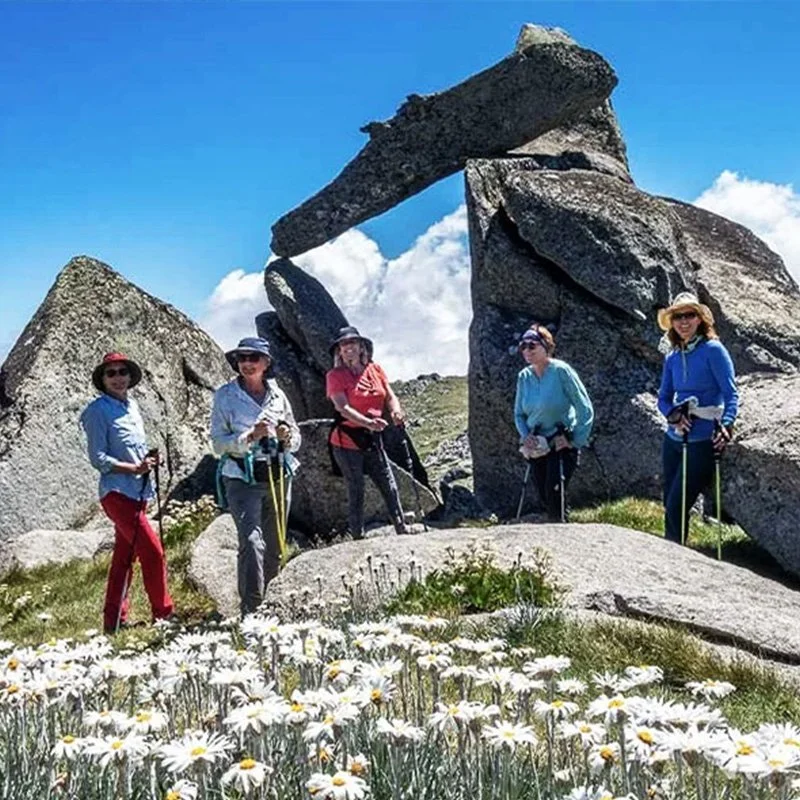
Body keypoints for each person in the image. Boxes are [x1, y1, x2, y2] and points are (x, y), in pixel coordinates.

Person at [80, 352, 174, 634]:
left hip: (138, 493)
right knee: (153, 553)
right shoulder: (96, 411)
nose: (118, 377)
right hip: (117, 494)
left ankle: (113, 621)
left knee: (124, 559)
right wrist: (133, 467)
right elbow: (98, 458)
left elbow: (133, 448)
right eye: (111, 373)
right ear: (103, 380)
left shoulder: (132, 406)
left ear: (131, 377)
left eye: (123, 372)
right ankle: (164, 616)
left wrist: (148, 463)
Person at [210, 337, 300, 617]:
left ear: (266, 363)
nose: (247, 363)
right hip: (240, 476)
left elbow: (296, 436)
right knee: (250, 541)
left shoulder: (278, 395)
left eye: (254, 358)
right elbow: (217, 443)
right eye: (242, 358)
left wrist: (287, 436)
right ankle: (251, 609)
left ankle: (273, 604)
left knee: (275, 542)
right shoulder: (225, 395)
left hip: (276, 472)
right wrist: (249, 436)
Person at [657, 292, 738, 544]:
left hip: (702, 438)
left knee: (678, 503)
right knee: (669, 499)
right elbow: (663, 397)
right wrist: (672, 415)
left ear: (699, 319)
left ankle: (675, 554)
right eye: (678, 317)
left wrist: (726, 425)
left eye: (689, 315)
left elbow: (731, 394)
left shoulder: (714, 350)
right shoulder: (672, 356)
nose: (683, 322)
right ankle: (674, 550)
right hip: (675, 437)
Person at [326, 326, 409, 539]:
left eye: (352, 343)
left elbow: (389, 396)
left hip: (373, 437)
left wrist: (396, 411)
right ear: (339, 351)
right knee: (356, 487)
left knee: (388, 483)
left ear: (362, 346)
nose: (348, 348)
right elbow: (342, 407)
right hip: (346, 440)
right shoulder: (335, 376)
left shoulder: (376, 370)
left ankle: (402, 527)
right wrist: (368, 423)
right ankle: (358, 535)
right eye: (344, 345)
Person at [514, 324, 594, 522]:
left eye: (532, 345)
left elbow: (584, 408)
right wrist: (526, 436)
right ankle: (558, 527)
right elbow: (519, 414)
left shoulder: (561, 371)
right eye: (523, 346)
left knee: (554, 490)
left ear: (545, 346)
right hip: (537, 444)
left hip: (561, 441)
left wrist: (574, 440)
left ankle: (561, 531)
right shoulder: (524, 377)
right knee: (543, 493)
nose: (526, 350)